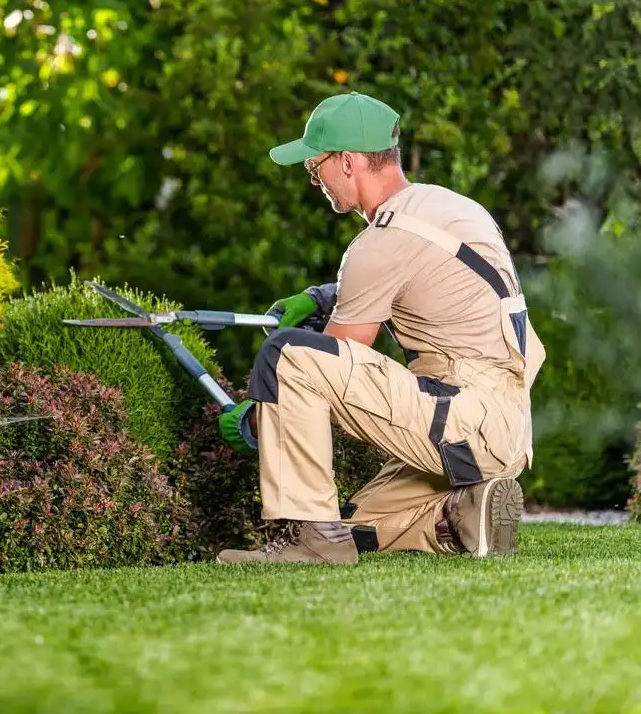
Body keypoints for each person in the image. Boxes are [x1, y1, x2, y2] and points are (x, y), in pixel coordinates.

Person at [216, 91, 546, 565]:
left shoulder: (380, 242)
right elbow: (423, 282)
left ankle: (317, 546)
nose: (314, 179)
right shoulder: (447, 208)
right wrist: (321, 297)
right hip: (503, 428)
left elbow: (332, 365)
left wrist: (255, 418)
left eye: (316, 165)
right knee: (352, 523)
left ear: (347, 162)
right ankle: (460, 513)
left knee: (286, 355)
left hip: (464, 421)